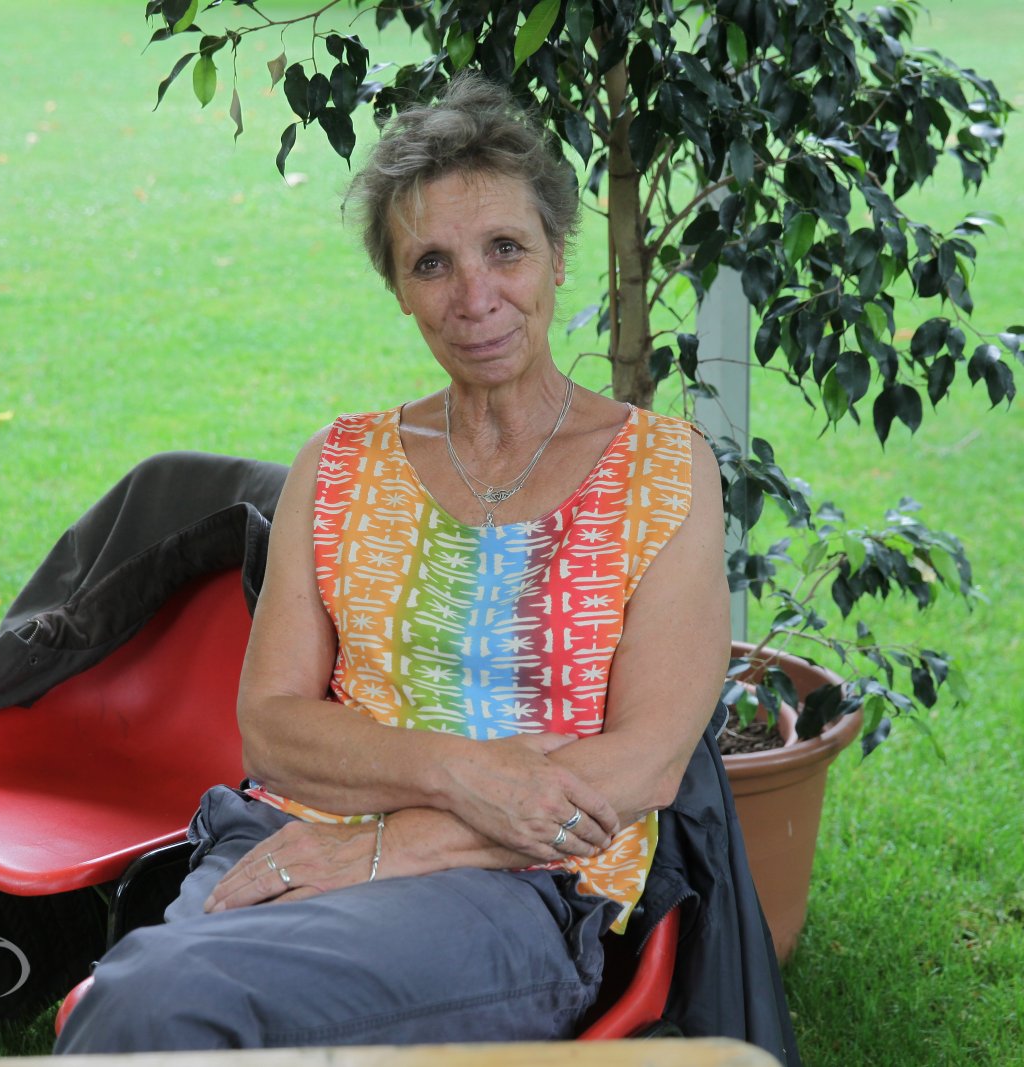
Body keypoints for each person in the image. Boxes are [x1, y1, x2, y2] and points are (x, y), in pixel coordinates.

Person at [54, 73, 733, 1053]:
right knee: (159, 1001)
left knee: (154, 1001)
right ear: (399, 289)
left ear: (556, 256)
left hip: (518, 887)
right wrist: (464, 772)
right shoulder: (339, 463)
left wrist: (392, 841)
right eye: (431, 263)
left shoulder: (663, 468)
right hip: (294, 837)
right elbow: (273, 729)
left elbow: (644, 763)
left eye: (505, 249)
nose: (475, 296)